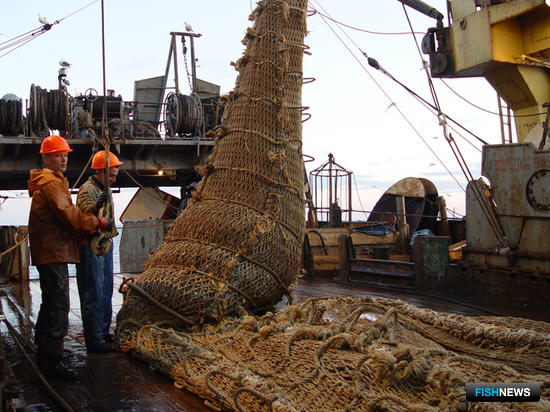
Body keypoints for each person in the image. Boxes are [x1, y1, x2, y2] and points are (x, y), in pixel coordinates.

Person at [28, 135, 112, 379]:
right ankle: (52, 362)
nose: (64, 158)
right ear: (46, 157)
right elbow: (70, 216)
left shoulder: (53, 181)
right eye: (58, 154)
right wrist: (97, 221)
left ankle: (44, 350)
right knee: (59, 305)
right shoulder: (51, 184)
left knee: (50, 302)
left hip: (51, 249)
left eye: (65, 154)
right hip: (53, 251)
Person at [75, 150, 122, 353]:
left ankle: (103, 332)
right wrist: (96, 207)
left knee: (106, 289)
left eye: (115, 175)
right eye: (110, 175)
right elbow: (85, 213)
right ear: (99, 172)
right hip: (91, 245)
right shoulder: (87, 190)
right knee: (93, 289)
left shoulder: (106, 188)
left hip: (104, 244)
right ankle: (94, 338)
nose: (113, 179)